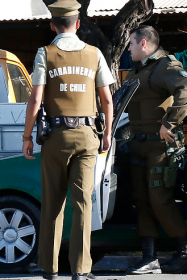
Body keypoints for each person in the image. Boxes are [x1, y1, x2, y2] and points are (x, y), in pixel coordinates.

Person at [22, 0, 114, 279]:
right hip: (88, 137)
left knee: (53, 203)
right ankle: (81, 270)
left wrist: (27, 136)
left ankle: (49, 268)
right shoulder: (95, 53)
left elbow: (36, 98)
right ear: (77, 24)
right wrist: (108, 133)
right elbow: (107, 99)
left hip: (55, 136)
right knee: (83, 203)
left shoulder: (44, 53)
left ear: (52, 25)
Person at [124, 25, 187, 274]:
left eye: (132, 43)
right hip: (138, 144)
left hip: (159, 147)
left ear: (144, 44)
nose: (128, 48)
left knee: (159, 199)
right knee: (141, 201)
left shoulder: (165, 66)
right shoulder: (137, 70)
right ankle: (149, 257)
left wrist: (170, 123)